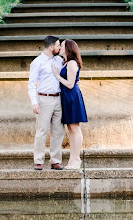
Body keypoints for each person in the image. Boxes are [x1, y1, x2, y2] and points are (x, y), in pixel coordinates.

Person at [28, 35, 66, 170]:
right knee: (42, 130)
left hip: (59, 99)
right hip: (44, 99)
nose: (60, 47)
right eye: (58, 45)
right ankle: (38, 161)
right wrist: (34, 102)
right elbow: (31, 83)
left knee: (58, 131)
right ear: (51, 47)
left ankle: (55, 160)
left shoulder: (59, 60)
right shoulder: (37, 62)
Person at [51, 39, 87, 170]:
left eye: (62, 45)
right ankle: (72, 160)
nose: (59, 47)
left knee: (75, 129)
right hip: (67, 97)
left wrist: (57, 75)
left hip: (72, 97)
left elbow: (70, 84)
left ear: (68, 48)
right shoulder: (66, 62)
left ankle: (76, 159)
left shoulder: (71, 63)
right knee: (71, 129)